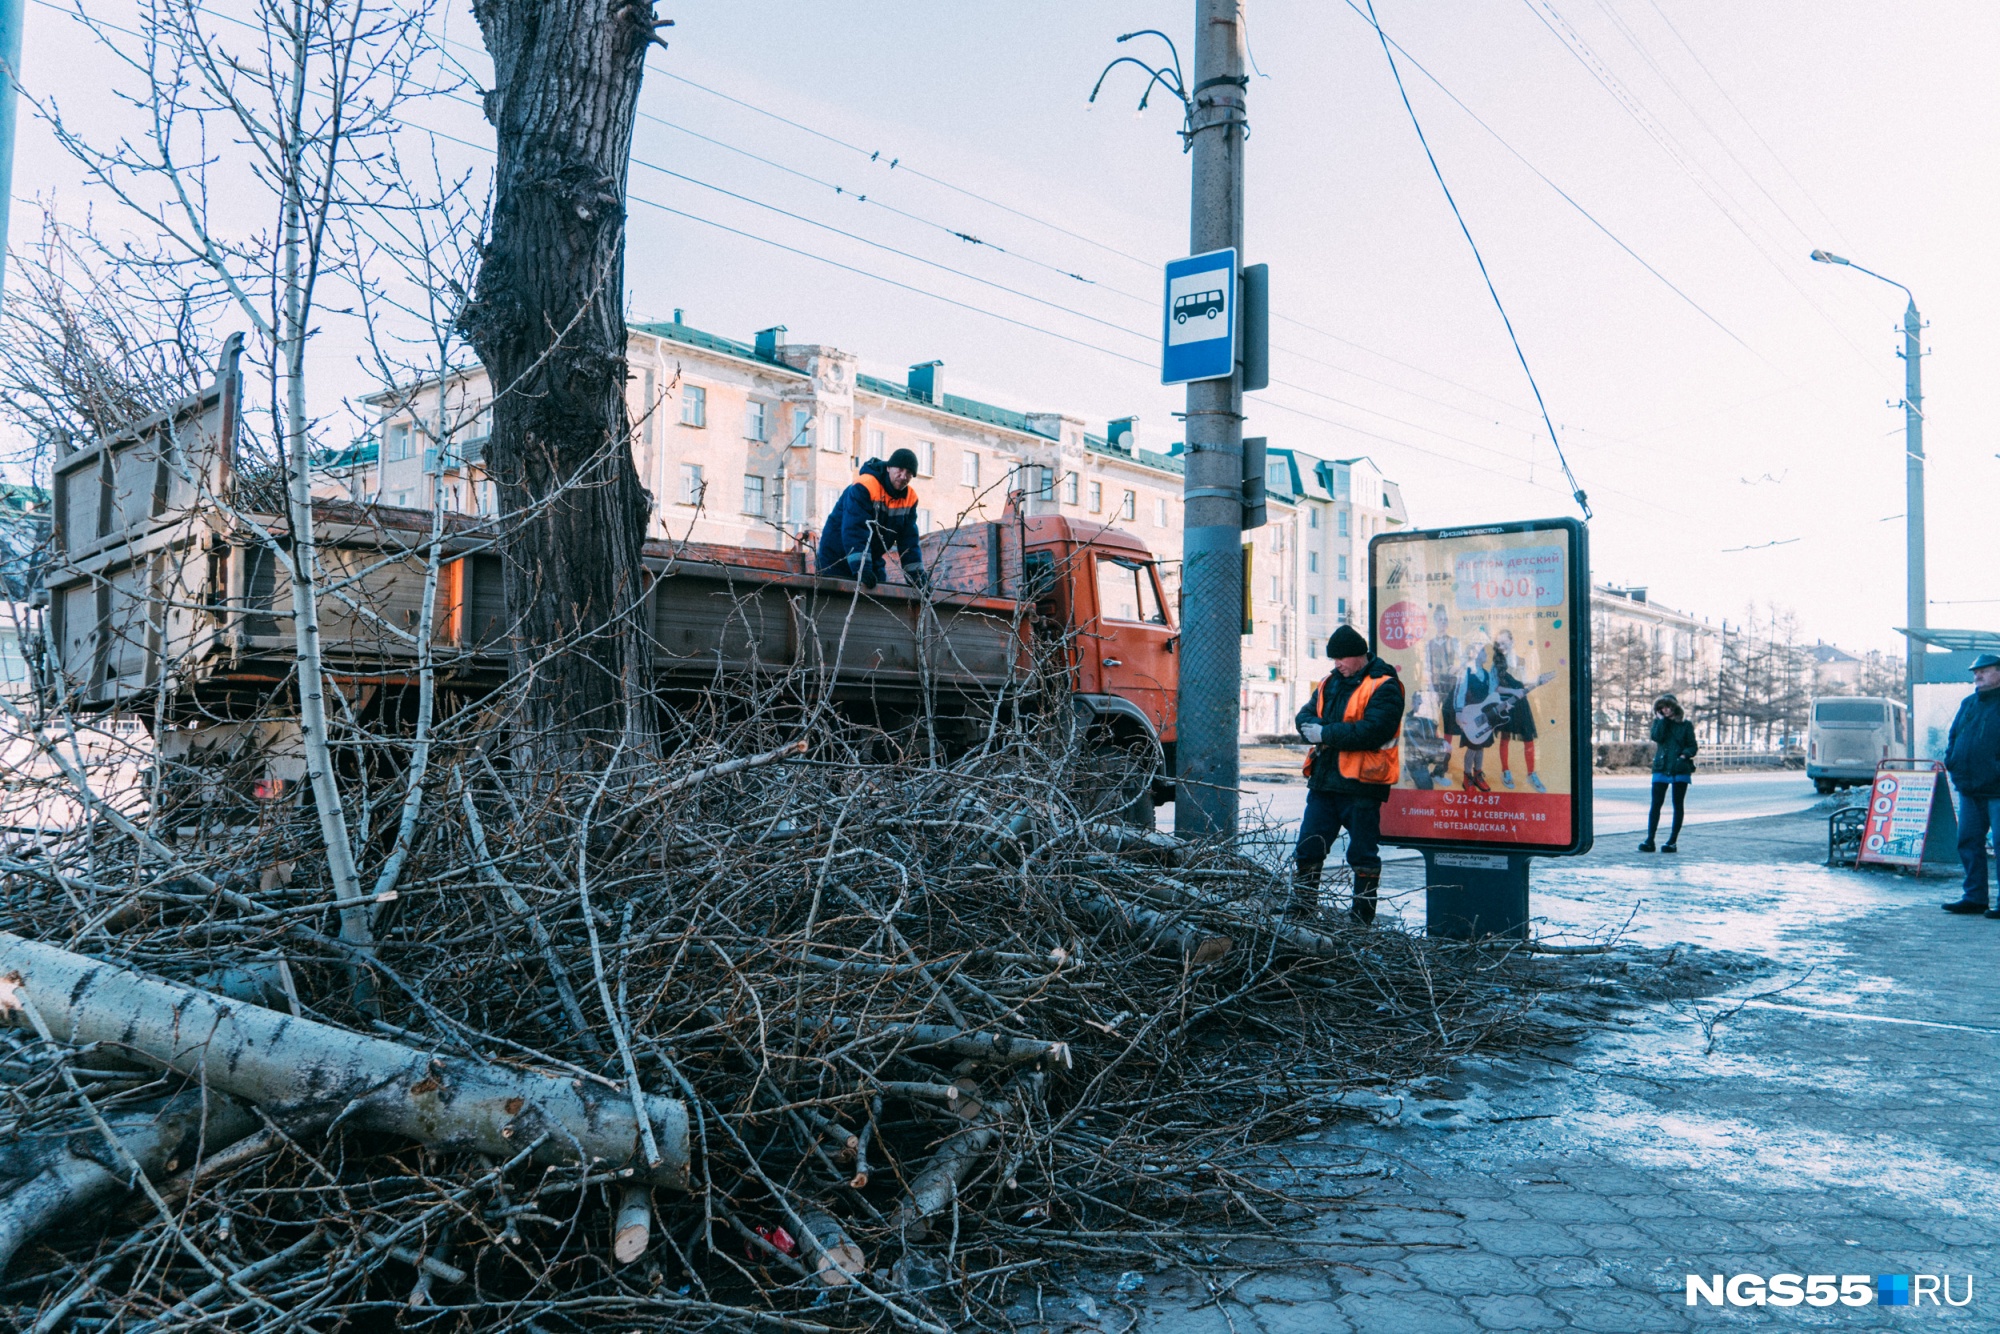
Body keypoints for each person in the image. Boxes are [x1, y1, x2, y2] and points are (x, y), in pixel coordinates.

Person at [1293, 624, 1406, 925]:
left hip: (1362, 786)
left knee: (1363, 854)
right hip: (1325, 782)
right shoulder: (1329, 682)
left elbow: (1373, 730)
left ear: (1359, 656)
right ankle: (1301, 911)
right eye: (1334, 660)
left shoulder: (1385, 686)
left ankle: (1361, 919)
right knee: (1308, 847)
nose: (1337, 665)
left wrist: (1325, 733)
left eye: (1341, 659)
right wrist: (1315, 731)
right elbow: (1303, 716)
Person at [816, 448, 927, 589]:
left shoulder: (910, 499)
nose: (903, 476)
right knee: (836, 602)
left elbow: (909, 541)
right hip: (837, 556)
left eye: (909, 473)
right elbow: (855, 529)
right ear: (888, 468)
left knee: (878, 596)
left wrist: (917, 579)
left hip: (871, 556)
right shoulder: (865, 486)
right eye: (900, 469)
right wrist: (862, 568)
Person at [1942, 652, 2000, 915]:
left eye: (1984, 670)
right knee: (1967, 841)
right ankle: (1975, 897)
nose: (1977, 675)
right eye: (1976, 672)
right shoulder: (1968, 704)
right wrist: (1952, 762)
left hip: (1998, 789)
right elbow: (1954, 737)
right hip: (1970, 788)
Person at [1491, 629, 1556, 792]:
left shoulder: (1521, 661)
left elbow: (1522, 682)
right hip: (1505, 704)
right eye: (1499, 643)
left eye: (1504, 642)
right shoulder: (1497, 664)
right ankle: (1505, 771)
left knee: (1528, 738)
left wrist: (1537, 681)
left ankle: (1531, 774)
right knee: (1505, 737)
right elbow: (1494, 688)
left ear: (1512, 642)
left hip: (1521, 704)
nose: (1502, 646)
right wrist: (1513, 692)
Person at [1641, 694, 1698, 853]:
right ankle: (1650, 839)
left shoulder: (1685, 725)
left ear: (1674, 707)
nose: (1664, 710)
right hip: (1661, 766)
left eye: (1667, 707)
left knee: (1677, 805)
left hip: (1680, 768)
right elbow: (1656, 737)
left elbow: (1692, 746)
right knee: (1655, 805)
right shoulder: (1659, 723)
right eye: (1661, 708)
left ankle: (1672, 841)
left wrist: (1684, 755)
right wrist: (1661, 720)